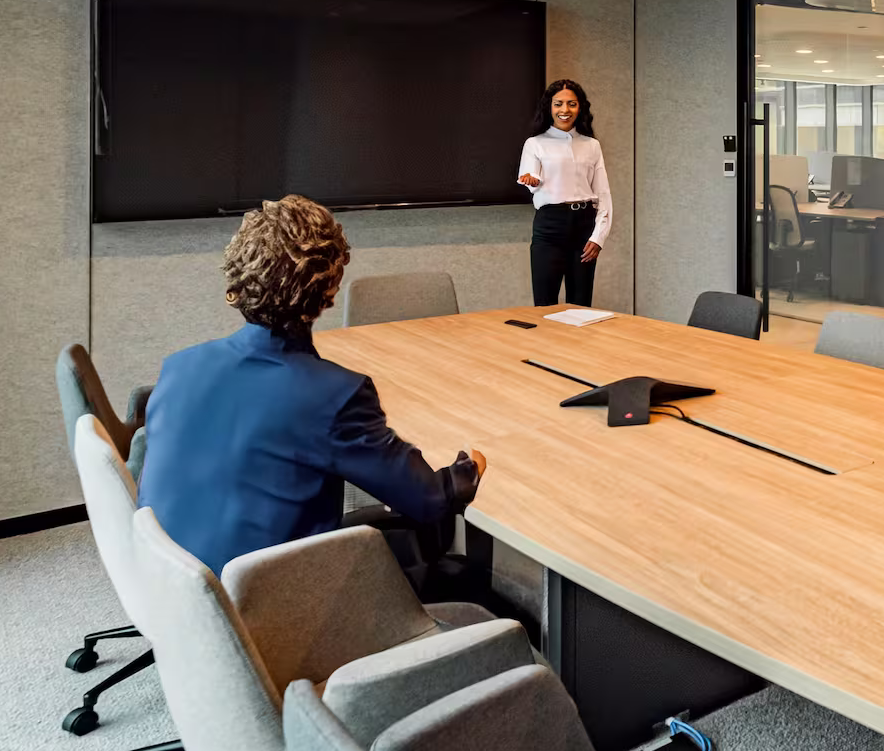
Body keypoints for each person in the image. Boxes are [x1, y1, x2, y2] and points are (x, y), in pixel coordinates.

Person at [135, 194, 485, 578]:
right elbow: (428, 499)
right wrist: (471, 469)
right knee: (465, 578)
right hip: (274, 609)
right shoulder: (334, 395)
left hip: (170, 592)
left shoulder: (179, 367)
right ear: (328, 289)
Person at [518, 78, 613, 306]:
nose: (565, 110)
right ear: (549, 108)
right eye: (558, 104)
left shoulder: (592, 145)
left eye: (572, 104)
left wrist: (598, 237)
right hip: (550, 225)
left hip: (584, 226)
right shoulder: (535, 143)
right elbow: (530, 177)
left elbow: (603, 195)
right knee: (544, 303)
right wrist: (532, 180)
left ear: (580, 108)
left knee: (580, 304)